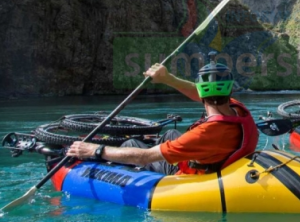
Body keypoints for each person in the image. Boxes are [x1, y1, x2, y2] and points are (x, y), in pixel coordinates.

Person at [67, 52, 259, 175]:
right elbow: (198, 92)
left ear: (202, 93)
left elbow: (144, 157)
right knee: (170, 135)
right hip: (218, 155)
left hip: (197, 170)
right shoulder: (239, 110)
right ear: (230, 91)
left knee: (132, 144)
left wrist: (95, 150)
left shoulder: (205, 133)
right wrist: (167, 79)